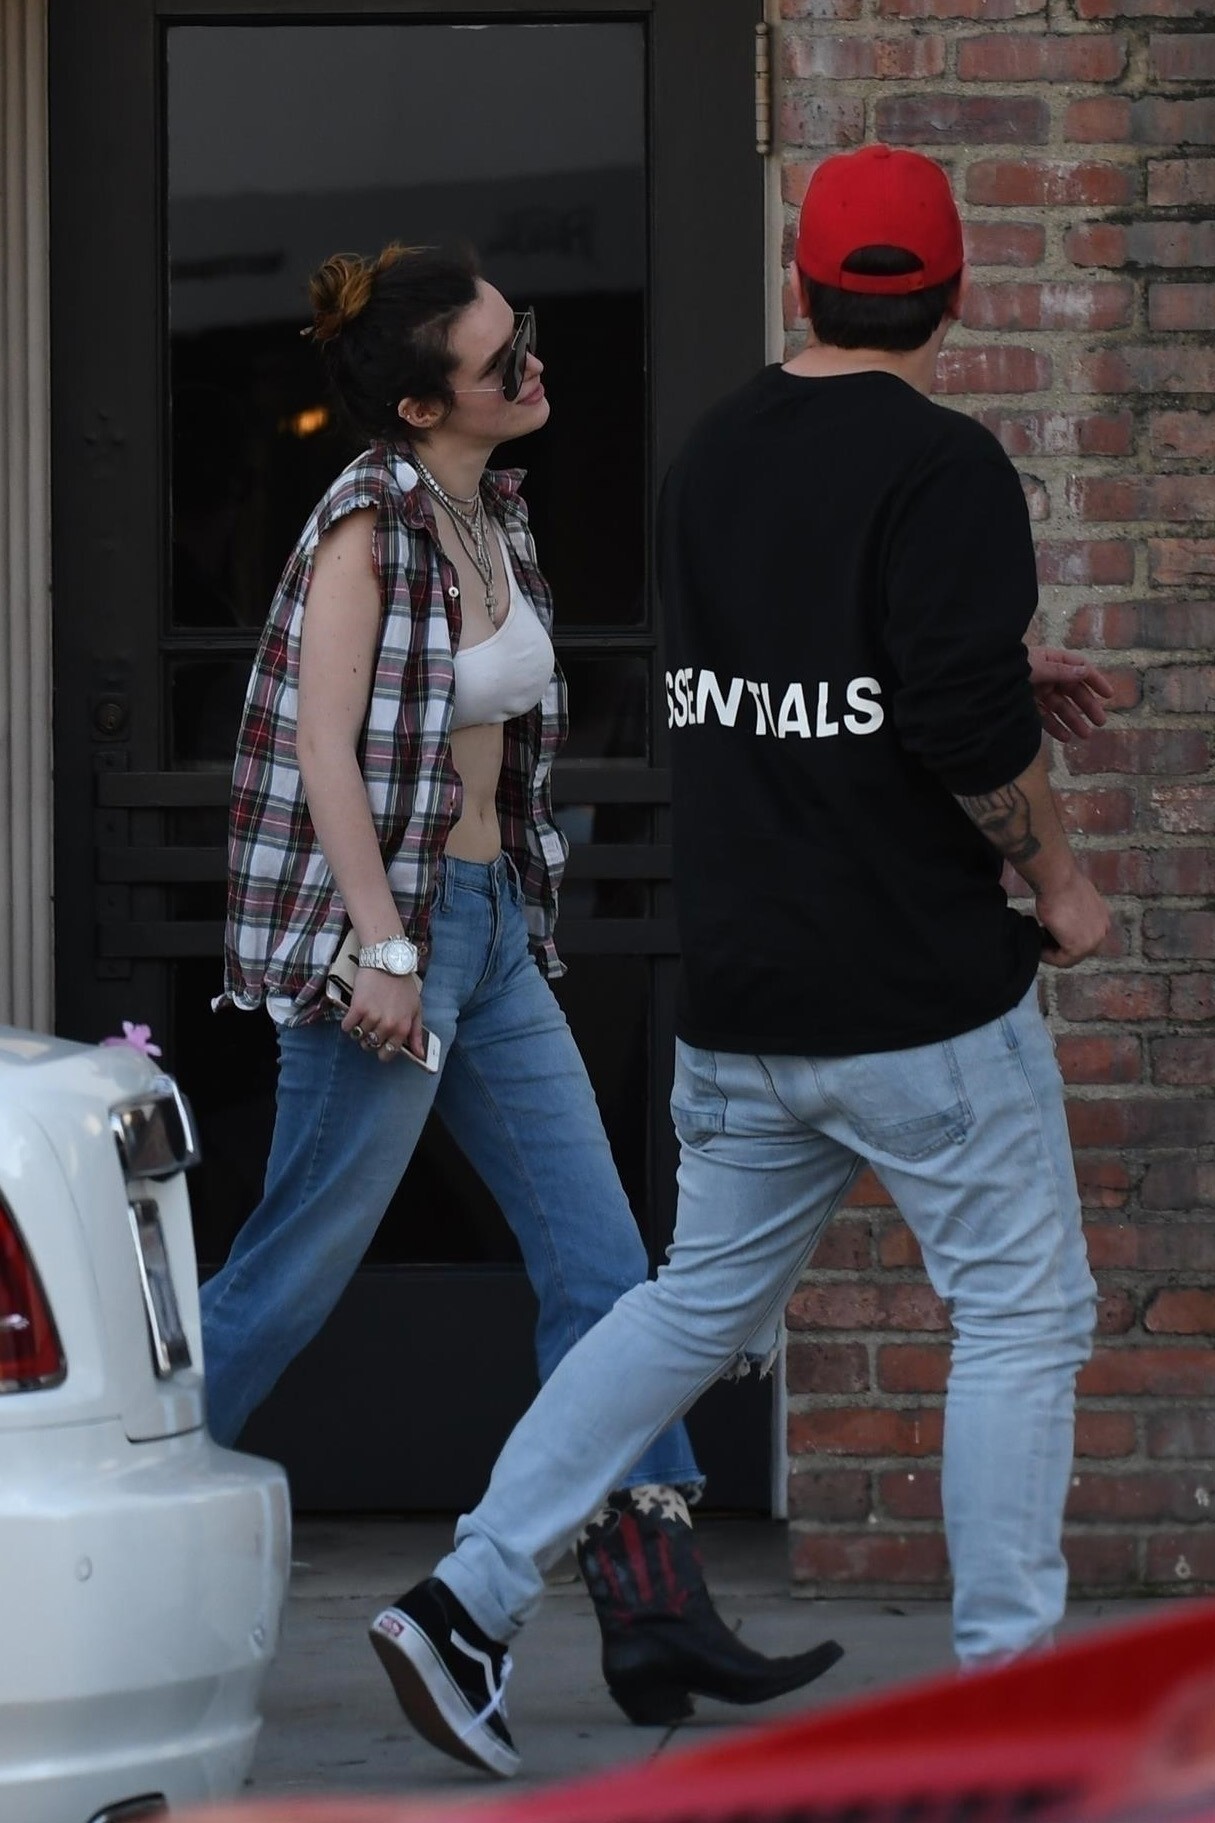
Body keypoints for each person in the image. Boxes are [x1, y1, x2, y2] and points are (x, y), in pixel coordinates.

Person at [373, 146, 1116, 1780]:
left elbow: (820, 663)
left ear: (799, 281)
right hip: (918, 997)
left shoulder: (706, 460)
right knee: (1020, 1317)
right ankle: (1008, 1707)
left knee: (692, 1306)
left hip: (747, 997)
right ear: (956, 294)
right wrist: (1059, 880)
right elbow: (948, 725)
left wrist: (991, 665)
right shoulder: (947, 468)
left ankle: (467, 1595)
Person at [203, 240, 844, 1738]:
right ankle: (67, 1538)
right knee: (288, 1282)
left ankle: (653, 1610)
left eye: (527, 335)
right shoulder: (366, 524)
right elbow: (320, 748)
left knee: (605, 1267)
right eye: (504, 362)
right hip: (400, 951)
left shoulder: (489, 508)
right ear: (425, 405)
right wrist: (383, 949)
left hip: (491, 933)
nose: (536, 368)